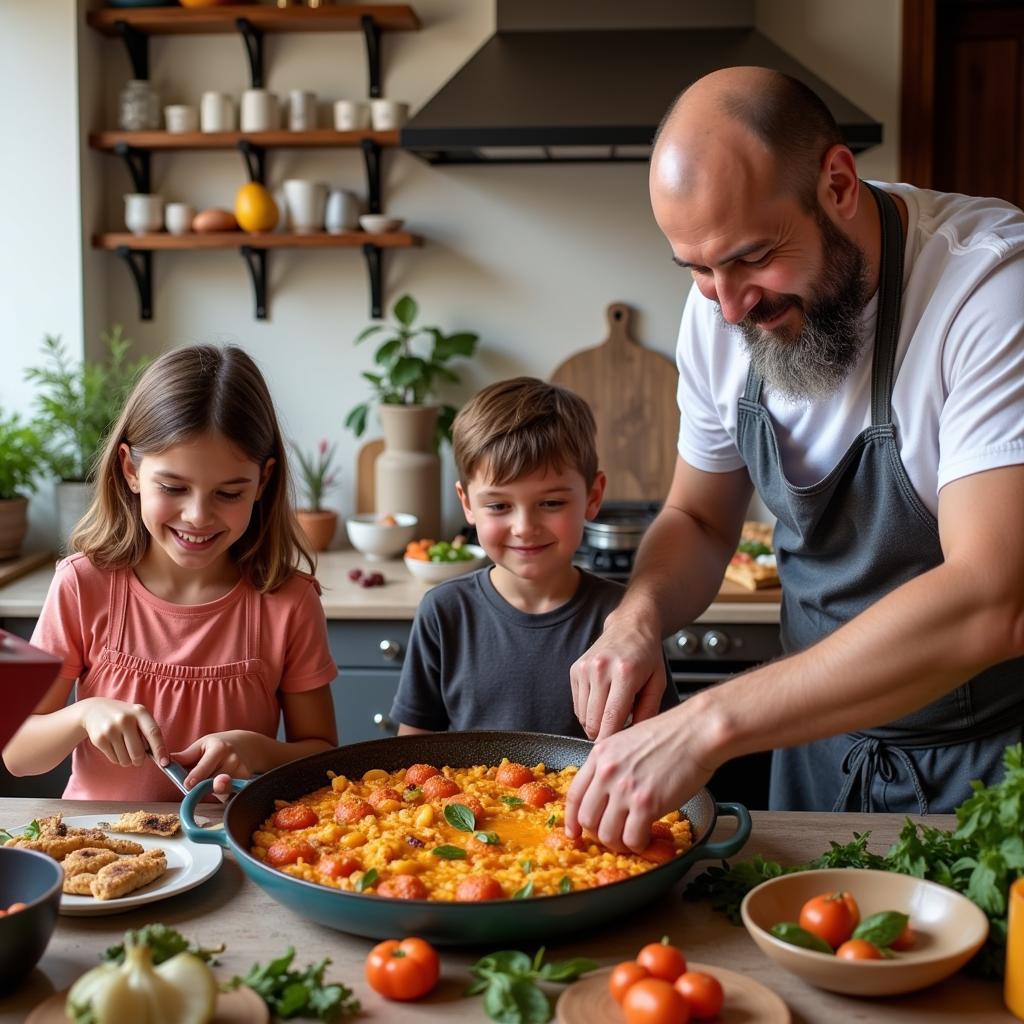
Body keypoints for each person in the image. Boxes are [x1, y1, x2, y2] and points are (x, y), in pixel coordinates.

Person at [564, 65, 1024, 852]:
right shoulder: (718, 302)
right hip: (811, 753)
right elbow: (701, 518)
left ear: (838, 183)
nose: (729, 304)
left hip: (986, 770)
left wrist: (708, 722)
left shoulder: (988, 286)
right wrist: (634, 621)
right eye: (699, 270)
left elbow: (993, 599)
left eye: (752, 258)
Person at [3, 345, 338, 800]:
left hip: (228, 846)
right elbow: (17, 754)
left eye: (228, 493)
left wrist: (258, 751)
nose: (198, 516)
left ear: (263, 481)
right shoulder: (79, 583)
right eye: (174, 487)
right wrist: (83, 716)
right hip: (102, 851)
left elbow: (323, 759)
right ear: (130, 469)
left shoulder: (291, 601)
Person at [390, 376, 679, 736]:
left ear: (593, 496)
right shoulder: (444, 611)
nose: (525, 526)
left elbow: (658, 744)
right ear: (467, 504)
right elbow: (411, 760)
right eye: (498, 505)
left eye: (552, 503)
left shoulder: (626, 618)